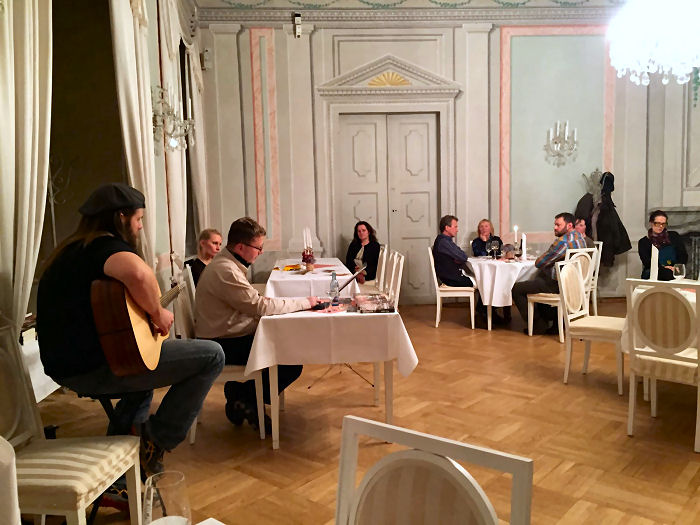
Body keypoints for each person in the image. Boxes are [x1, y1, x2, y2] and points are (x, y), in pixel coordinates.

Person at [36, 183, 225, 482]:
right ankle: (155, 440)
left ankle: (124, 449)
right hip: (93, 368)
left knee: (145, 359)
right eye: (138, 219)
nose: (139, 227)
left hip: (68, 364)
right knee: (212, 355)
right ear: (120, 217)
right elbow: (137, 272)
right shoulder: (103, 248)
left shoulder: (71, 250)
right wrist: (157, 313)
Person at [195, 217, 319, 430]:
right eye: (258, 248)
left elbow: (251, 302)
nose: (261, 252)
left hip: (225, 334)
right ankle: (245, 396)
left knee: (288, 348)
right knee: (291, 358)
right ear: (240, 247)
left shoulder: (228, 263)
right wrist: (306, 302)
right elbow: (259, 306)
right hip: (220, 344)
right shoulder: (226, 270)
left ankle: (242, 395)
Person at [511, 212, 586, 334]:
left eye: (558, 225)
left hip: (559, 285)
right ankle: (556, 323)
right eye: (555, 224)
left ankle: (538, 324)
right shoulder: (580, 238)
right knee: (540, 278)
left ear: (569, 225)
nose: (555, 227)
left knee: (517, 289)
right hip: (574, 283)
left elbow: (539, 262)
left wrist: (544, 261)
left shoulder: (563, 242)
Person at [638, 210, 688, 281]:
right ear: (651, 223)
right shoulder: (644, 242)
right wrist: (664, 268)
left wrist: (675, 267)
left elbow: (683, 255)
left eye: (663, 224)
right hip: (654, 271)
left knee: (674, 274)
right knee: (666, 273)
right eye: (657, 224)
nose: (661, 226)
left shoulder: (674, 236)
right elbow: (647, 262)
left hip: (674, 270)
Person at [432, 215, 473, 287]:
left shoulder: (445, 240)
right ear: (447, 228)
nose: (457, 230)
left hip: (451, 277)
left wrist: (457, 258)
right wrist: (457, 259)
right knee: (482, 281)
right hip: (451, 280)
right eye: (455, 227)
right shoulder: (444, 242)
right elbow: (463, 257)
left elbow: (461, 255)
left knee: (480, 280)